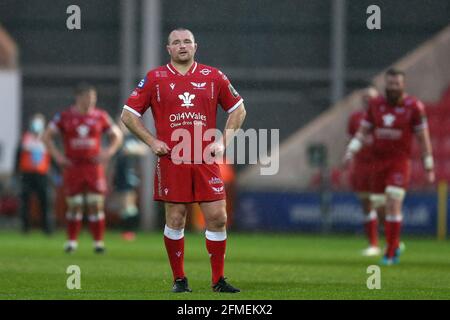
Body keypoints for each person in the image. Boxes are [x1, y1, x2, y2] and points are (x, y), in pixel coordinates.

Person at [121, 28, 246, 293]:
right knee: (176, 218)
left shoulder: (213, 76)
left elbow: (238, 109)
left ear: (195, 47)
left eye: (186, 42)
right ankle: (179, 279)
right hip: (172, 160)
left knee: (218, 218)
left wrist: (223, 140)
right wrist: (152, 141)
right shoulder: (155, 78)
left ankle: (218, 280)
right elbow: (128, 115)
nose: (182, 46)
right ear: (168, 49)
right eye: (176, 42)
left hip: (205, 159)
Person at [344, 68, 435, 265]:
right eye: (390, 84)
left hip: (399, 162)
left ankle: (391, 252)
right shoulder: (376, 105)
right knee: (379, 206)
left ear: (403, 85)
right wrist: (351, 149)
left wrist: (428, 164)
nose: (393, 87)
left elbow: (423, 138)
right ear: (385, 85)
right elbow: (363, 131)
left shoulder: (414, 107)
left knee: (394, 201)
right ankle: (394, 241)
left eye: (397, 84)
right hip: (378, 163)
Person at [43, 83, 123, 253]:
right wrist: (58, 156)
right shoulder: (64, 116)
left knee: (96, 203)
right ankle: (72, 242)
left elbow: (117, 135)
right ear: (78, 98)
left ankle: (98, 243)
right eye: (88, 98)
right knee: (75, 204)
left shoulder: (100, 116)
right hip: (73, 166)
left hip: (93, 166)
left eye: (93, 98)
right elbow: (46, 136)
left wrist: (108, 152)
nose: (91, 101)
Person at [347, 87, 381, 256]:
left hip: (380, 165)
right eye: (365, 96)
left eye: (371, 97)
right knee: (366, 204)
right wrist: (348, 156)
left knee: (383, 204)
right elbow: (352, 138)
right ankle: (373, 244)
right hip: (362, 165)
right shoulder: (355, 118)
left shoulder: (384, 117)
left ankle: (392, 239)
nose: (367, 99)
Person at [14, 113, 52, 234]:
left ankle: (47, 229)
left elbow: (52, 157)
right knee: (25, 202)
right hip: (27, 174)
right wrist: (16, 172)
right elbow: (18, 156)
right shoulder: (25, 138)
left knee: (45, 202)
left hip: (42, 174)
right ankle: (25, 229)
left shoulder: (46, 139)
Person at [113, 116, 148, 241]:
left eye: (122, 124)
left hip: (130, 173)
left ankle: (129, 230)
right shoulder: (116, 140)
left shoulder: (131, 138)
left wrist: (132, 150)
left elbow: (144, 149)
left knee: (128, 203)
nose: (120, 127)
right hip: (119, 174)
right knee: (124, 205)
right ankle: (128, 230)